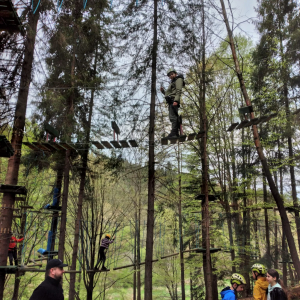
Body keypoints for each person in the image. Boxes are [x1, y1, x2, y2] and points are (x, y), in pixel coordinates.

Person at [160, 68, 185, 138]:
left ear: (175, 74)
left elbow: (178, 91)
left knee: (173, 117)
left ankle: (174, 133)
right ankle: (175, 132)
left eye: (172, 74)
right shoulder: (173, 82)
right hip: (171, 101)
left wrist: (176, 101)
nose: (171, 76)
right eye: (169, 75)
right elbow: (170, 93)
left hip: (174, 100)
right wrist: (163, 92)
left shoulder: (178, 80)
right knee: (172, 117)